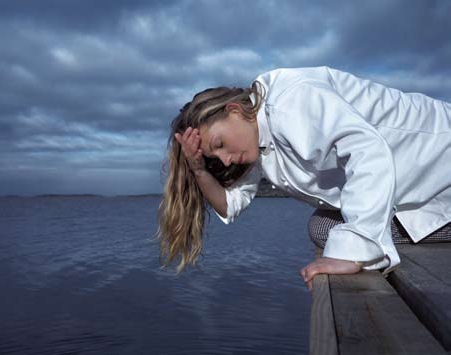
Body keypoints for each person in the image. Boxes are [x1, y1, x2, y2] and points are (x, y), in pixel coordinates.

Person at [156, 66, 451, 290]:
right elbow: (229, 205)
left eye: (219, 144)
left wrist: (354, 251)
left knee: (331, 232)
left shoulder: (290, 101)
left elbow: (367, 151)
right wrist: (198, 169)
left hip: (440, 162)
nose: (224, 159)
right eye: (214, 157)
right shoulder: (259, 140)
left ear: (235, 110)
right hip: (413, 185)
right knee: (321, 227)